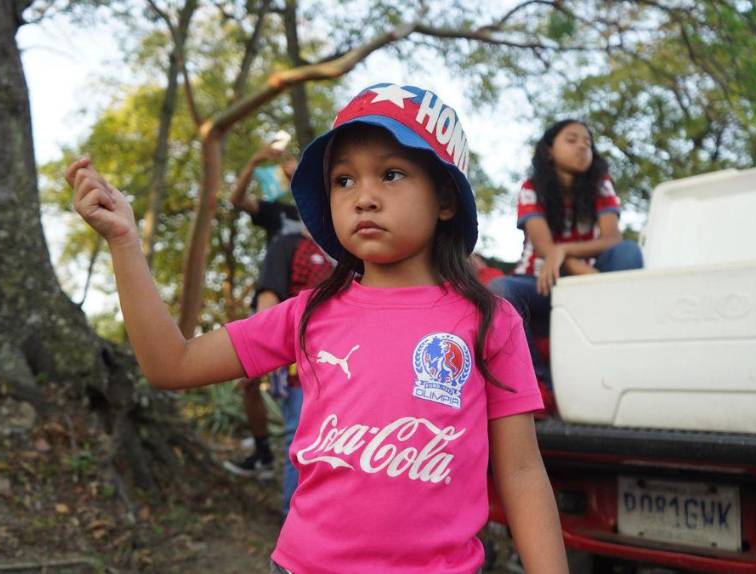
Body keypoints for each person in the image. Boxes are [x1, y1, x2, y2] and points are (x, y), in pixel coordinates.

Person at [66, 83, 568, 574]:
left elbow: (521, 472)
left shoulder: (490, 320)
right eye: (343, 180)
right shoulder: (307, 313)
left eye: (391, 174)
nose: (363, 197)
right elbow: (171, 364)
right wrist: (124, 244)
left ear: (445, 198)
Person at [490, 119, 643, 384]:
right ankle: (539, 382)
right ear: (549, 150)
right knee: (499, 289)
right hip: (542, 283)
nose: (582, 147)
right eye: (572, 140)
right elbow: (545, 250)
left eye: (588, 143)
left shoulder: (601, 185)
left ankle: (622, 354)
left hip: (587, 283)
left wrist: (563, 250)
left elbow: (612, 238)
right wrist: (585, 273)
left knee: (628, 252)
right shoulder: (531, 188)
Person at [224, 143, 304, 478]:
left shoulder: (330, 215)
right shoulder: (279, 213)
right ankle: (262, 452)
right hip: (272, 301)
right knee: (249, 379)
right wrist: (255, 161)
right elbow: (237, 199)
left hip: (308, 310)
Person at [253, 229, 334, 516]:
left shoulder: (345, 252)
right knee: (301, 437)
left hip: (340, 367)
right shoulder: (289, 244)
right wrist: (264, 352)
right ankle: (293, 516)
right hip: (299, 366)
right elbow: (268, 300)